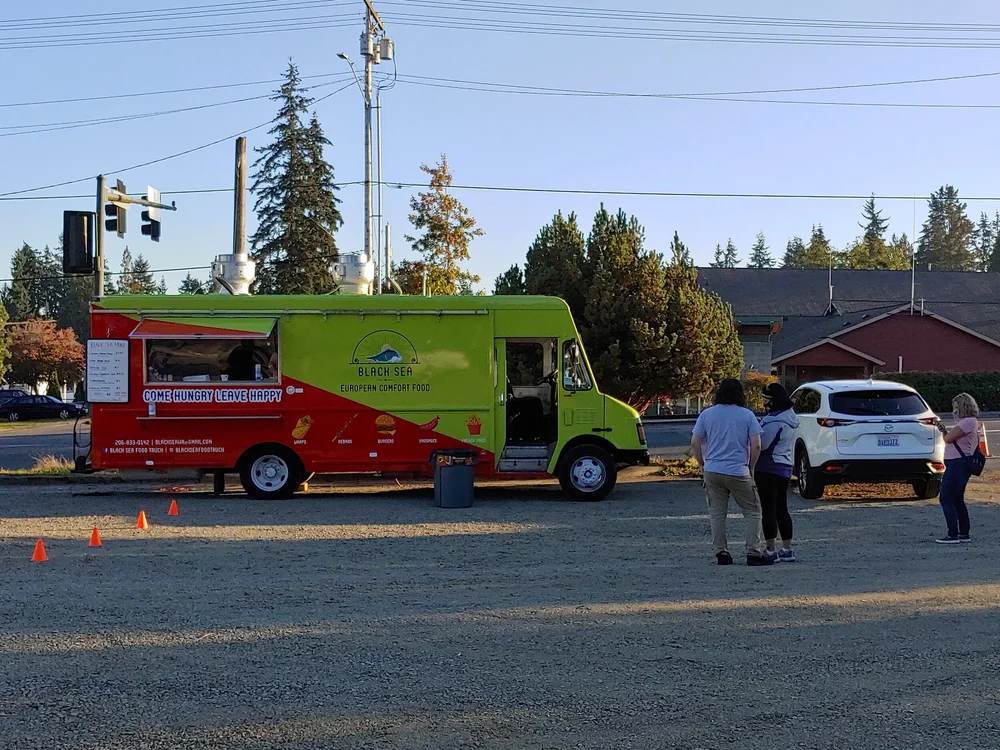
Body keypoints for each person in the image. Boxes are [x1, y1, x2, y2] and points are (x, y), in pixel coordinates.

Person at [691, 378, 772, 566]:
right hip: (738, 470)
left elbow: (695, 442)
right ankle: (753, 552)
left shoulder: (707, 414)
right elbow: (756, 445)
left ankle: (722, 552)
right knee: (752, 511)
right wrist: (751, 466)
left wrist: (702, 464)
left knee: (717, 513)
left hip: (713, 469)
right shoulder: (747, 415)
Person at [754, 383, 800, 562]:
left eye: (766, 399)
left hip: (767, 467)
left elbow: (762, 445)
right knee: (782, 508)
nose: (764, 403)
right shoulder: (791, 418)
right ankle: (787, 549)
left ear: (773, 401)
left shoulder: (773, 421)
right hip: (785, 467)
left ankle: (771, 550)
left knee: (768, 509)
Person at [935, 392, 979, 544]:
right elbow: (950, 438)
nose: (954, 411)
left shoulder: (966, 422)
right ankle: (963, 533)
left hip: (957, 464)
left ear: (963, 407)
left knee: (946, 498)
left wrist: (945, 433)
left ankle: (953, 533)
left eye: (956, 407)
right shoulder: (968, 422)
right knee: (957, 499)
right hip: (958, 463)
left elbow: (948, 439)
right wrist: (944, 430)